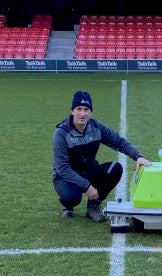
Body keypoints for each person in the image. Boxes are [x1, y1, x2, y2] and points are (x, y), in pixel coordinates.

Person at [52, 90, 151, 222]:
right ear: (72, 111)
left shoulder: (96, 127)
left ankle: (93, 206)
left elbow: (119, 142)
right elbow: (63, 168)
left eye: (86, 109)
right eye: (79, 109)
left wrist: (138, 156)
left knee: (115, 168)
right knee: (73, 197)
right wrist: (88, 186)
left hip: (88, 171)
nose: (82, 113)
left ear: (90, 112)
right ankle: (67, 206)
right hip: (65, 177)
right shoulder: (61, 133)